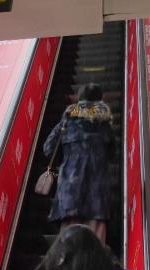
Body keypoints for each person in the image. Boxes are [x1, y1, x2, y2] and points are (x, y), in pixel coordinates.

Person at [42, 83, 115, 244]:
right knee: (95, 247)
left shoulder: (67, 122)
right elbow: (112, 156)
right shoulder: (104, 125)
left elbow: (48, 149)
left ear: (79, 100)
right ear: (100, 100)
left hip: (70, 192)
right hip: (98, 195)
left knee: (68, 247)